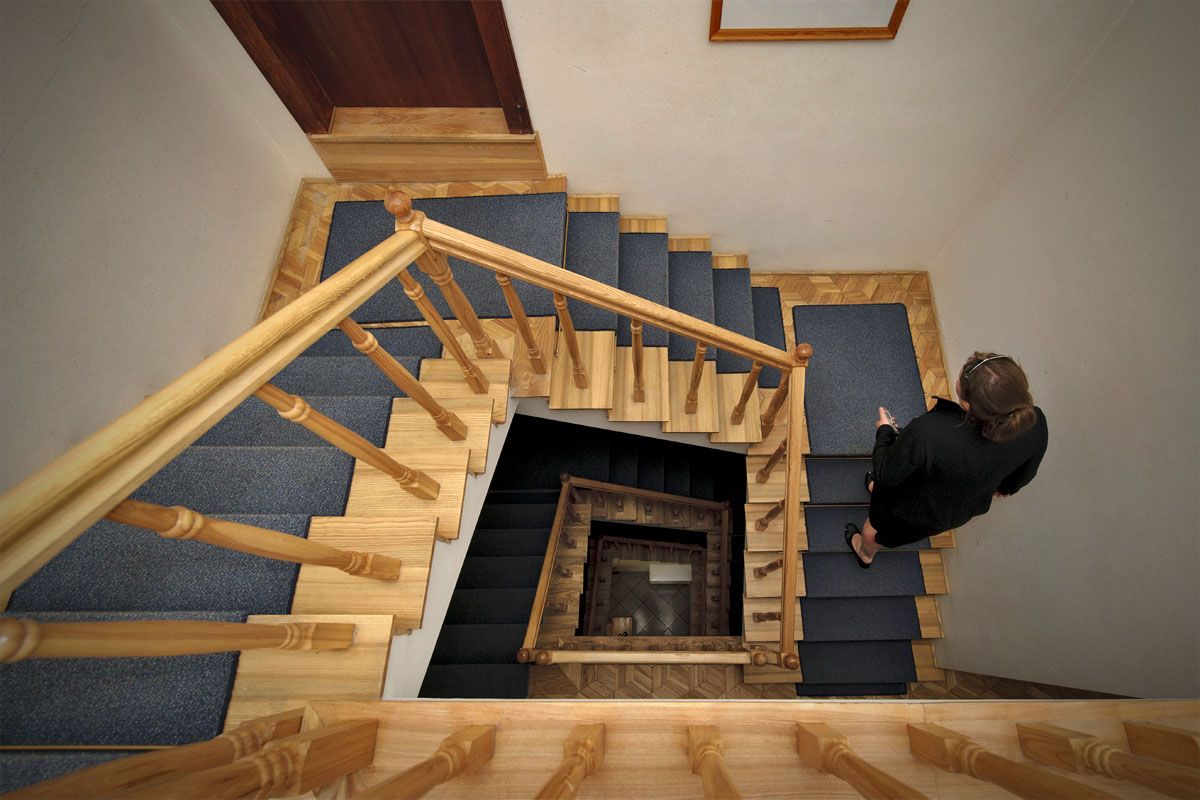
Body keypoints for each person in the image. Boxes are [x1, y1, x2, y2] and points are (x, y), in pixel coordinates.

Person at [845, 352, 1048, 567]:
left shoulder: (930, 432)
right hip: (949, 514)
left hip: (909, 509)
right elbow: (1016, 481)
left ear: (968, 404)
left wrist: (884, 430)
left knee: (876, 530)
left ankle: (865, 553)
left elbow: (885, 473)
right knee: (898, 529)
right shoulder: (1035, 423)